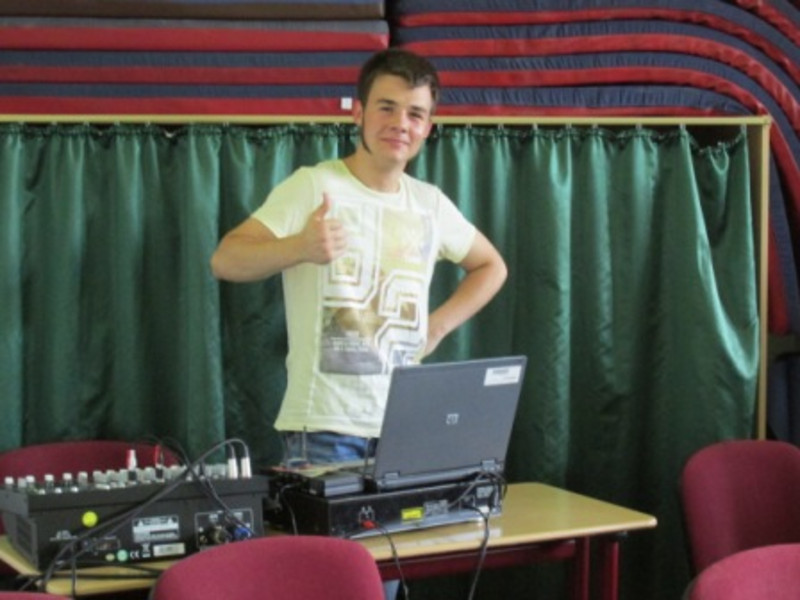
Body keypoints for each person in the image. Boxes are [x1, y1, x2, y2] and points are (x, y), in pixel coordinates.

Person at [210, 48, 507, 468]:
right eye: (387, 107)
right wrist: (300, 247)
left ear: (427, 128)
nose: (400, 123)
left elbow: (492, 267)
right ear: (358, 113)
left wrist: (437, 327)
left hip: (405, 424)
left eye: (415, 114)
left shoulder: (431, 204)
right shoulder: (313, 185)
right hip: (324, 428)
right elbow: (225, 259)